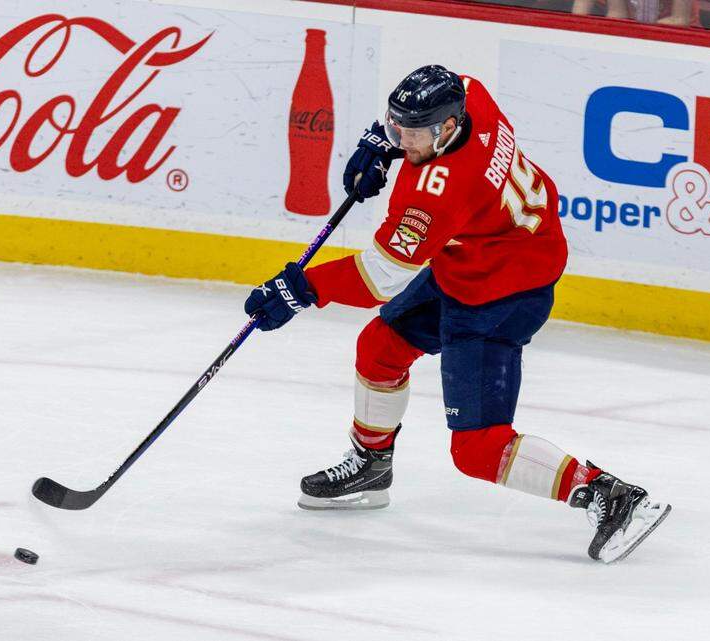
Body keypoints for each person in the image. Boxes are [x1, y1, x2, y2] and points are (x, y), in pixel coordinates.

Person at [244, 65, 670, 563]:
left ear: (447, 129)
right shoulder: (472, 97)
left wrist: (301, 288)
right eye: (396, 123)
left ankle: (611, 496)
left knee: (477, 450)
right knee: (379, 349)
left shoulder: (435, 194)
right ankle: (371, 465)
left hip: (503, 296)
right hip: (479, 259)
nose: (404, 139)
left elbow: (381, 277)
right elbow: (449, 85)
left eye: (413, 133)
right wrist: (382, 141)